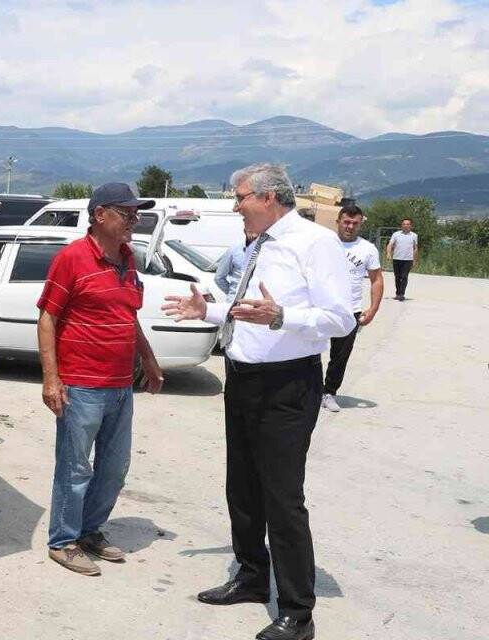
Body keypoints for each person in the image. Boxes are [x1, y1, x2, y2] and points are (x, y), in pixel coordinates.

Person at [162, 164, 355, 640]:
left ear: (268, 197)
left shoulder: (315, 243)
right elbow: (249, 310)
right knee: (242, 487)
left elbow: (341, 318)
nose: (235, 207)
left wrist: (283, 316)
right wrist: (208, 310)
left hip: (286, 386)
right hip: (243, 379)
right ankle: (251, 576)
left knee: (282, 498)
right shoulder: (257, 244)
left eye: (241, 197)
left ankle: (297, 612)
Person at [37, 182, 165, 577]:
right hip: (81, 386)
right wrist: (51, 380)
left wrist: (148, 359)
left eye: (136, 214)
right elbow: (47, 318)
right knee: (75, 468)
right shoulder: (72, 258)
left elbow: (128, 316)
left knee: (113, 468)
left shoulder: (129, 259)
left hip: (120, 386)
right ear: (99, 215)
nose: (134, 221)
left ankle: (89, 530)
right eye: (126, 213)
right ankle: (63, 541)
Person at [322, 205, 383, 412]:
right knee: (308, 352)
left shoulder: (368, 249)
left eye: (355, 223)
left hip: (350, 311)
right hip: (320, 307)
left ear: (360, 225)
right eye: (346, 222)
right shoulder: (323, 243)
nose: (350, 226)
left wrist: (373, 309)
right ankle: (308, 390)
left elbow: (377, 280)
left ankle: (329, 392)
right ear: (338, 221)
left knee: (340, 356)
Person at [214, 230, 260, 301]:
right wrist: (233, 293)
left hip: (258, 301)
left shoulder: (267, 251)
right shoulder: (234, 249)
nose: (254, 234)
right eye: (250, 230)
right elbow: (219, 278)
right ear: (245, 231)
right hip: (236, 302)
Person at [386, 218, 419, 301]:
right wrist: (389, 253)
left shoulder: (414, 235)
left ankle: (402, 294)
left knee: (404, 276)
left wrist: (414, 260)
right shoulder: (396, 234)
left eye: (407, 224)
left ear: (411, 226)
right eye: (404, 224)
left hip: (408, 260)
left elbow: (415, 248)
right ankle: (398, 293)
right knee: (397, 277)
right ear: (401, 225)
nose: (405, 226)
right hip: (397, 258)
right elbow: (390, 244)